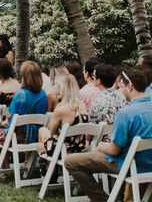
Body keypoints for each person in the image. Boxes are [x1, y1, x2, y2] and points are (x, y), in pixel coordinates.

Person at [65, 68, 152, 202]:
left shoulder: (126, 113)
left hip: (128, 164)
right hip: (148, 164)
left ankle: (103, 200)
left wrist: (101, 146)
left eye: (122, 87)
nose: (121, 90)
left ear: (130, 86)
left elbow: (114, 150)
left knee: (70, 161)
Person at [0, 61, 47, 166]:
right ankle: (26, 162)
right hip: (35, 135)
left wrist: (2, 123)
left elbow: (11, 119)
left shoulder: (20, 94)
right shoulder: (43, 94)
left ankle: (0, 169)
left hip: (18, 137)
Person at [38, 74, 88, 157]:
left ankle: (49, 168)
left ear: (61, 88)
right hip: (80, 148)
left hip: (63, 150)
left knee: (42, 132)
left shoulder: (60, 109)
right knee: (43, 134)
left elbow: (52, 133)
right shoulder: (82, 106)